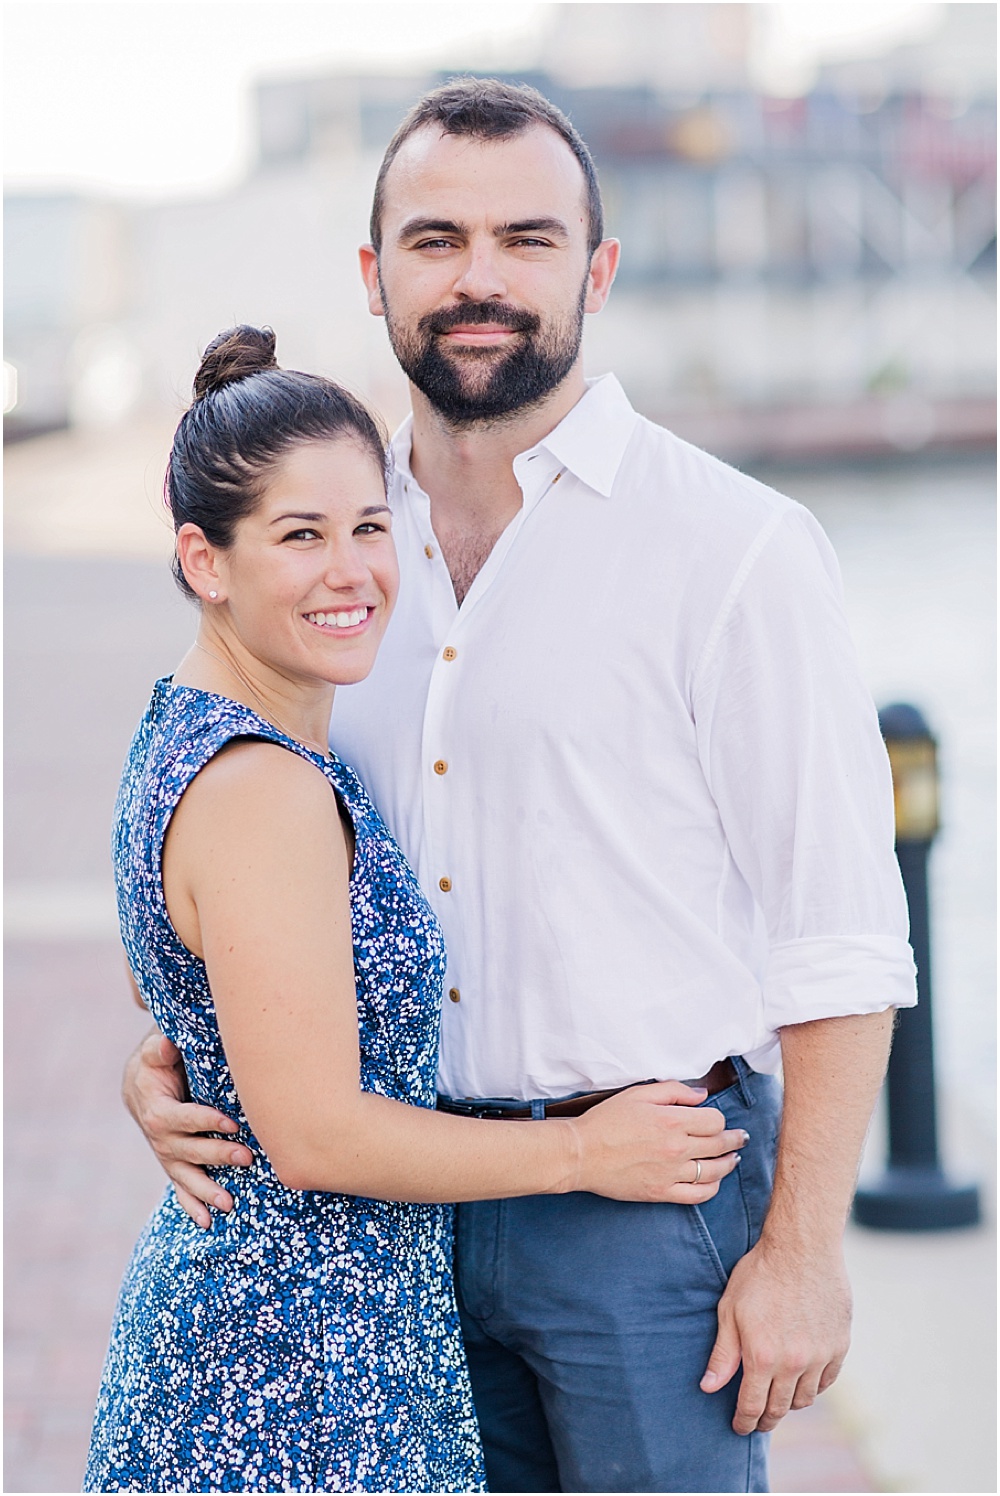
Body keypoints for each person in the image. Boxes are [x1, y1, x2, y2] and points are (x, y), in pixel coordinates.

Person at [124, 81, 918, 1495]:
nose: (480, 280)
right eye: (436, 241)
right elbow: (247, 854)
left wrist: (802, 1251)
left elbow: (841, 932)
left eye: (527, 240)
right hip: (383, 1225)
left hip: (643, 1211)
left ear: (595, 273)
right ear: (374, 279)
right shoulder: (341, 567)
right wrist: (187, 1057)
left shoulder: (733, 549)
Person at [86, 324, 748, 1494]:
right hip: (292, 1375)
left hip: (308, 1333)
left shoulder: (198, 727)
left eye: (369, 526)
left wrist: (177, 1056)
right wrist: (590, 1146)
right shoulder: (265, 784)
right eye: (300, 535)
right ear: (205, 558)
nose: (353, 571)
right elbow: (318, 1134)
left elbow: (182, 978)